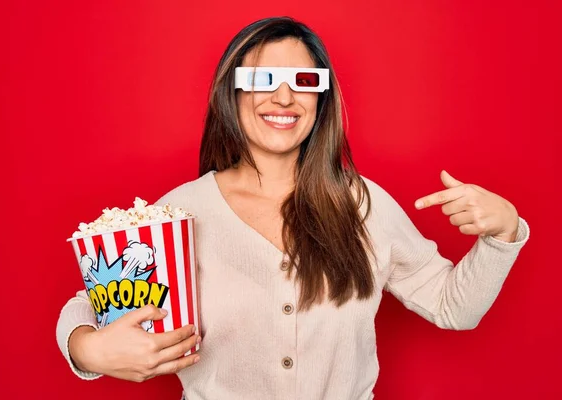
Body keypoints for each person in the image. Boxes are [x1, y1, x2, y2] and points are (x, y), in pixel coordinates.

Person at [56, 16, 530, 400]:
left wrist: (503, 232)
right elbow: (89, 304)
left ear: (320, 97)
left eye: (303, 80)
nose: (284, 97)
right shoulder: (182, 212)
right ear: (232, 91)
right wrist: (88, 350)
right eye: (263, 79)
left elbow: (454, 307)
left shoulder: (362, 204)